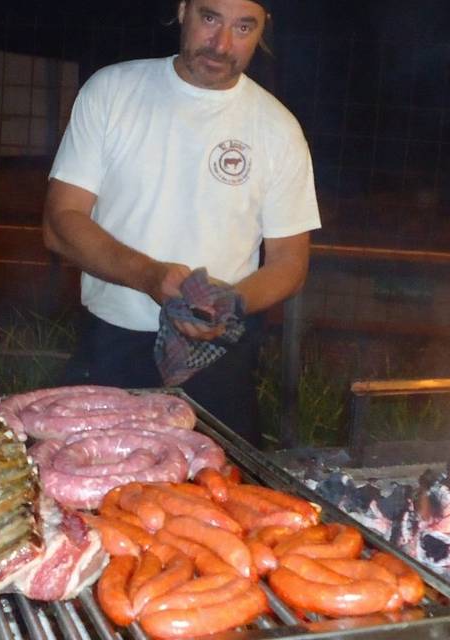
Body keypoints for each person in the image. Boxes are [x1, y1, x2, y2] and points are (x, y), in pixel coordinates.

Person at [42, 0, 321, 447]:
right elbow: (61, 223)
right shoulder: (113, 91)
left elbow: (291, 262)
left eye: (243, 27)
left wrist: (228, 303)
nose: (222, 43)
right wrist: (150, 276)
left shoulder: (277, 128)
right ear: (183, 10)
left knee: (220, 501)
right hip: (112, 345)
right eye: (210, 18)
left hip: (220, 356)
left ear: (262, 30)